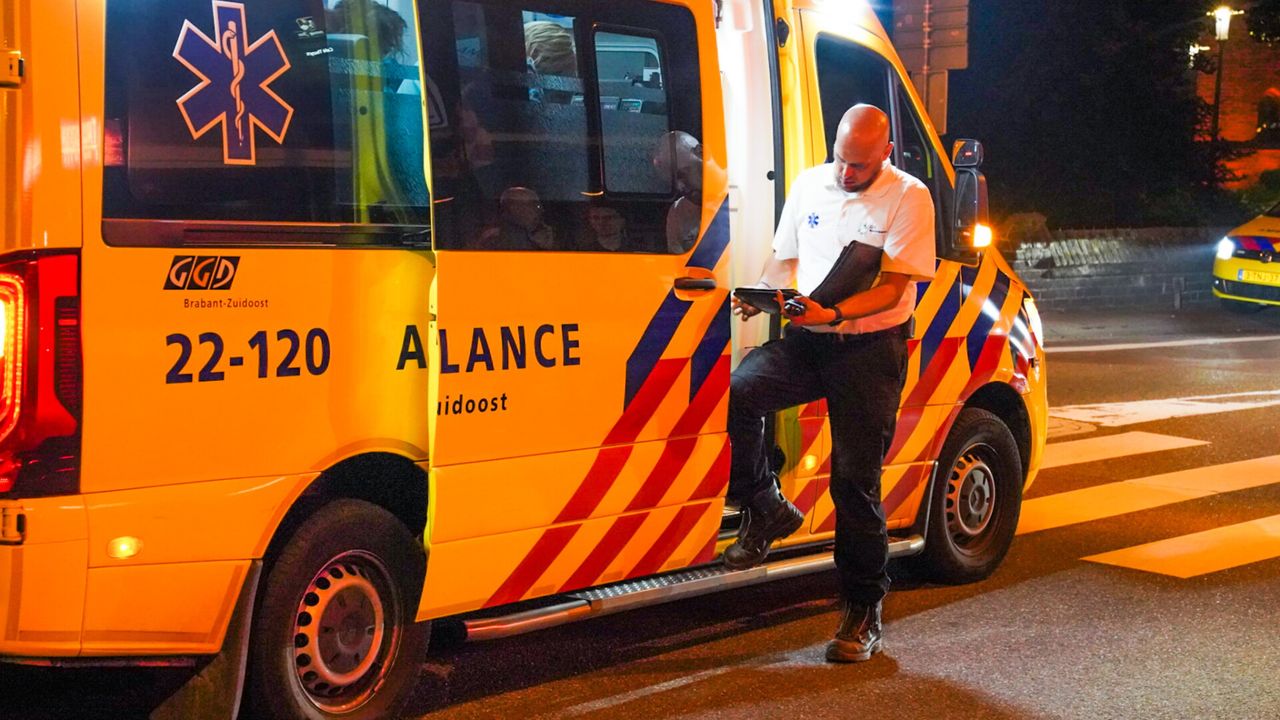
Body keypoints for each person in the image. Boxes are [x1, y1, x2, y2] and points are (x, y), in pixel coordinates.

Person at [726, 104, 936, 663]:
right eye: (841, 160)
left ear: (885, 154)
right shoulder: (810, 184)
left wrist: (833, 314)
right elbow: (785, 258)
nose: (846, 174)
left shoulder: (909, 196)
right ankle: (765, 504)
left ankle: (863, 611)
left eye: (859, 166)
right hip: (812, 338)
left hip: (870, 349)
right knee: (745, 389)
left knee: (854, 482)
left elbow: (892, 290)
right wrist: (762, 296)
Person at [474, 186, 559, 251]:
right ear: (516, 208)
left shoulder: (547, 235)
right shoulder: (494, 239)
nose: (541, 210)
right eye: (536, 205)